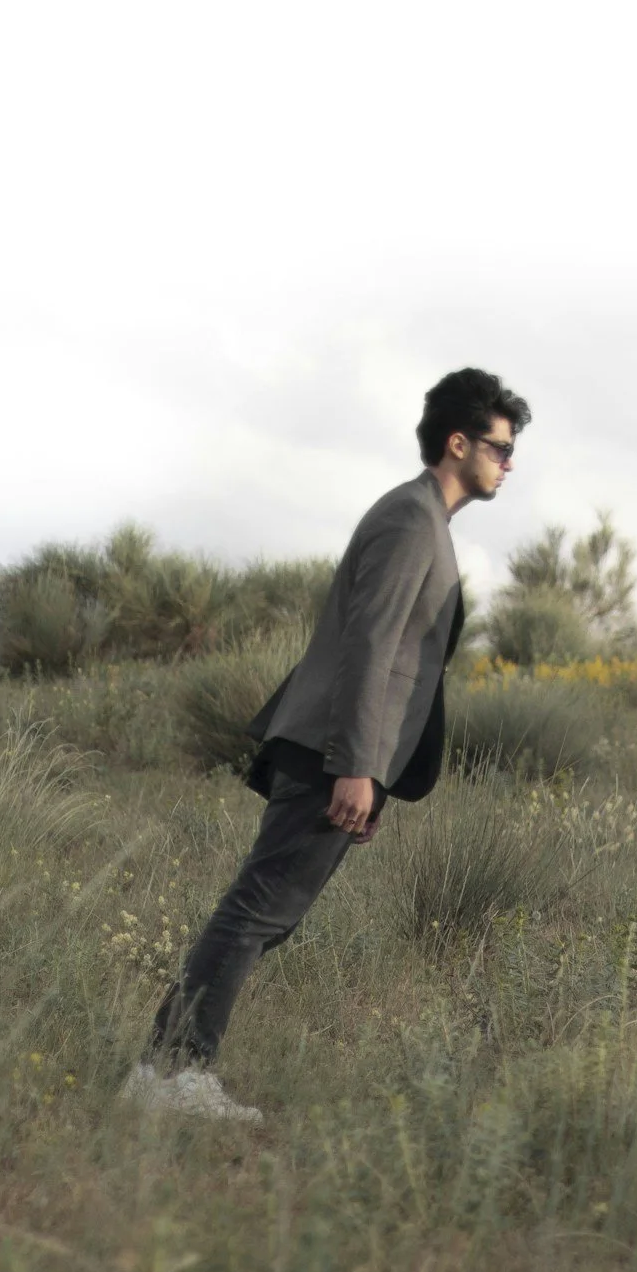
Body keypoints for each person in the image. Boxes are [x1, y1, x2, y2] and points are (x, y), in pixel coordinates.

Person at [124, 368, 532, 1121]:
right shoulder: (412, 519)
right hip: (329, 750)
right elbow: (368, 648)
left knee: (268, 912)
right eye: (502, 447)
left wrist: (372, 773)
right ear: (457, 442)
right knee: (256, 909)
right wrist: (355, 766)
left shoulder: (425, 522)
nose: (510, 462)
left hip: (342, 754)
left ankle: (168, 1068)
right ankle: (171, 1072)